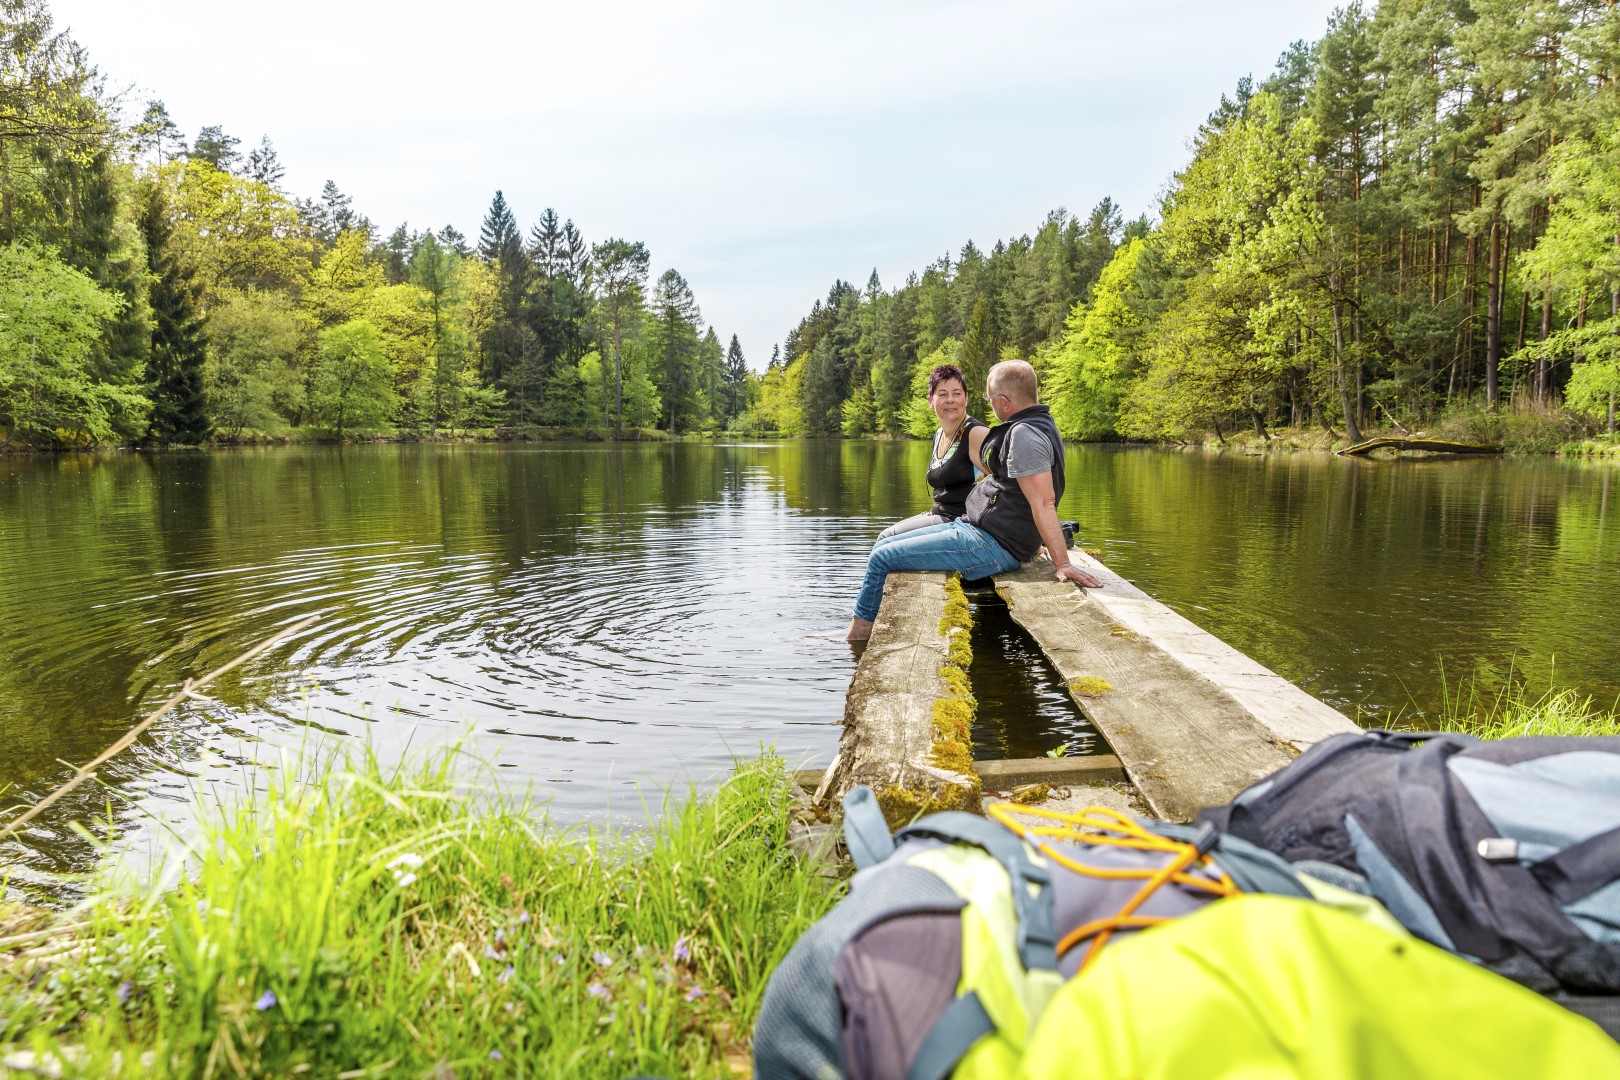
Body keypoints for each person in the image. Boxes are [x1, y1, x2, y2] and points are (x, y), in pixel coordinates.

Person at [846, 360, 1100, 641]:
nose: (988, 405)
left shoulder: (1024, 434)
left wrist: (1061, 562)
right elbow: (1022, 498)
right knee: (884, 544)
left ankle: (857, 638)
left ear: (1003, 402)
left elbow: (1043, 502)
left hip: (990, 543)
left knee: (883, 557)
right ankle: (866, 629)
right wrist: (1033, 538)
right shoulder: (1029, 426)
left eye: (988, 398)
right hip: (977, 529)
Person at [875, 364, 989, 541]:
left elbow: (1010, 481)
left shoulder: (975, 433)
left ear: (966, 399)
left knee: (887, 538)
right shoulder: (939, 435)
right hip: (941, 518)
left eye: (957, 393)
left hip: (963, 524)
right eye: (942, 394)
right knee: (886, 540)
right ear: (931, 401)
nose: (950, 399)